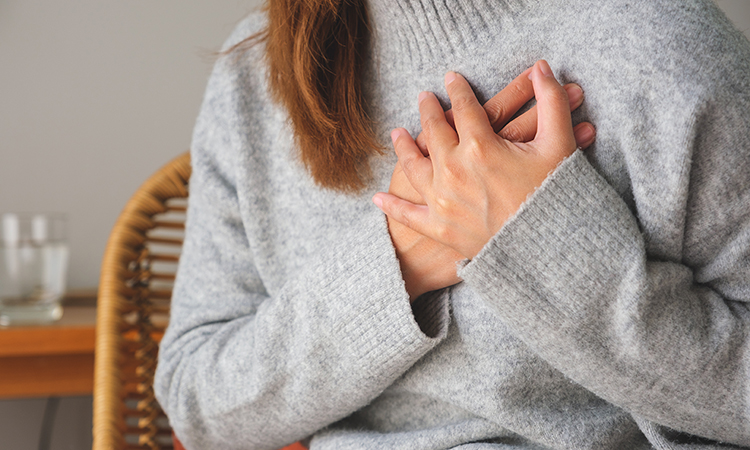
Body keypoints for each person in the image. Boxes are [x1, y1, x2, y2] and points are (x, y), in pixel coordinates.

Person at [153, 0, 750, 448]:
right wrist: (398, 258)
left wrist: (543, 243)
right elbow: (197, 403)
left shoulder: (655, 41)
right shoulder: (257, 76)